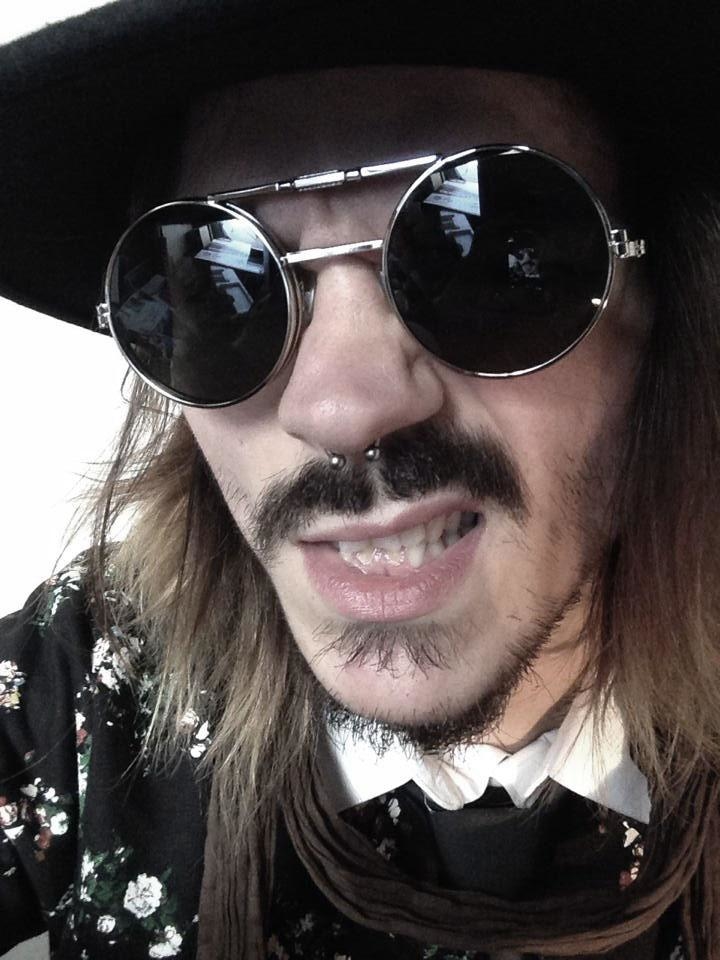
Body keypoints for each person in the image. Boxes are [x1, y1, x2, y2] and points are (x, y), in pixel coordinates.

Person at [1, 2, 720, 958]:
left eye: (484, 256)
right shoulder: (91, 680)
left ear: (666, 302)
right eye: (222, 283)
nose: (339, 407)